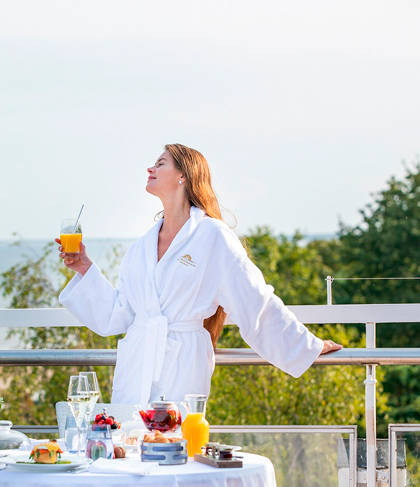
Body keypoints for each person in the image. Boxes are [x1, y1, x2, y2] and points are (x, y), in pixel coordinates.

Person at [56, 144, 342, 405]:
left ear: (183, 175)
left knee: (175, 441)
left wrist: (306, 346)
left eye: (161, 163)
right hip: (136, 366)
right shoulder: (141, 247)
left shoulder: (212, 236)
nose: (150, 168)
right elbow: (119, 314)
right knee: (129, 441)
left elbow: (254, 299)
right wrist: (84, 267)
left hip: (183, 365)